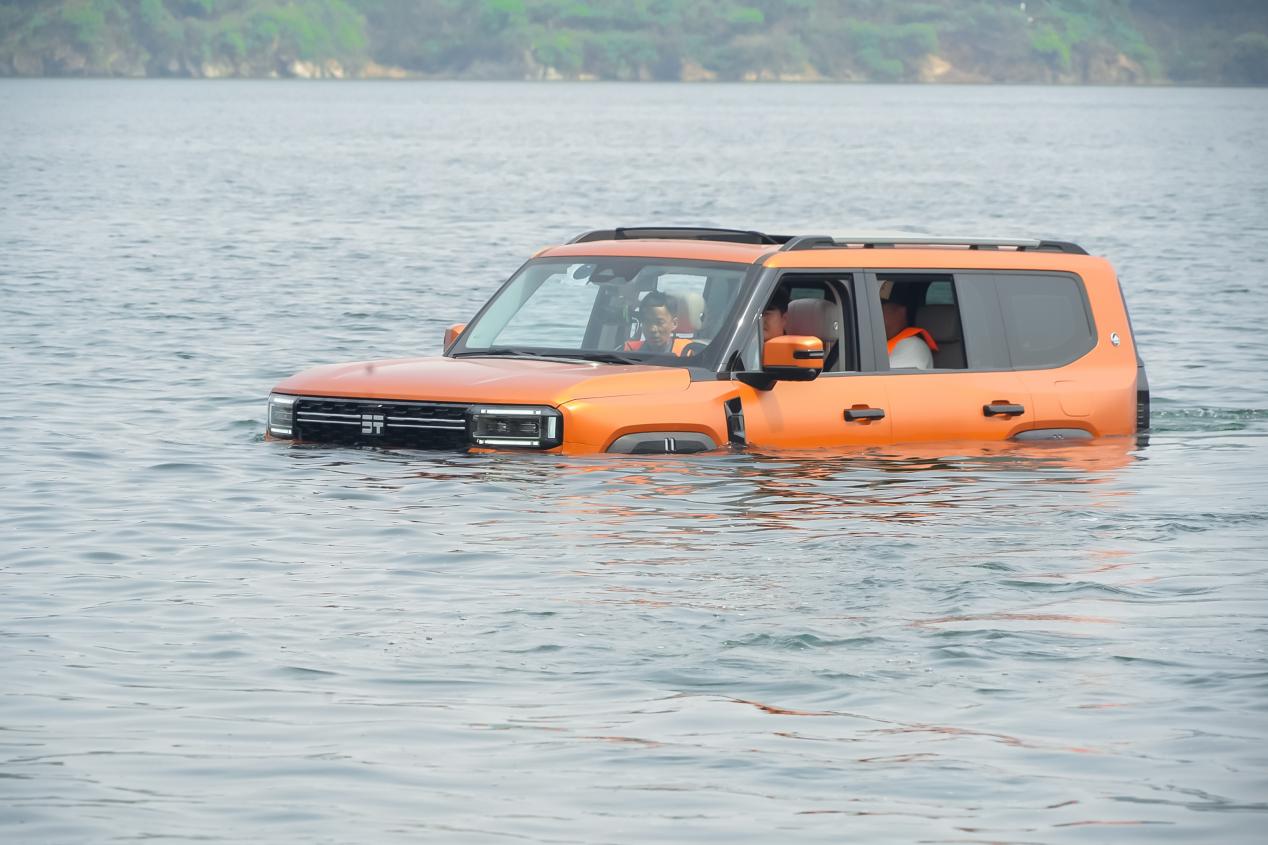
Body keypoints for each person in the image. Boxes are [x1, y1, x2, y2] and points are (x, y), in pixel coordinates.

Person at [880, 281, 937, 369]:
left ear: (902, 312)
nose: (877, 316)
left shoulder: (912, 345)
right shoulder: (881, 343)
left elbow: (883, 376)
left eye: (882, 309)